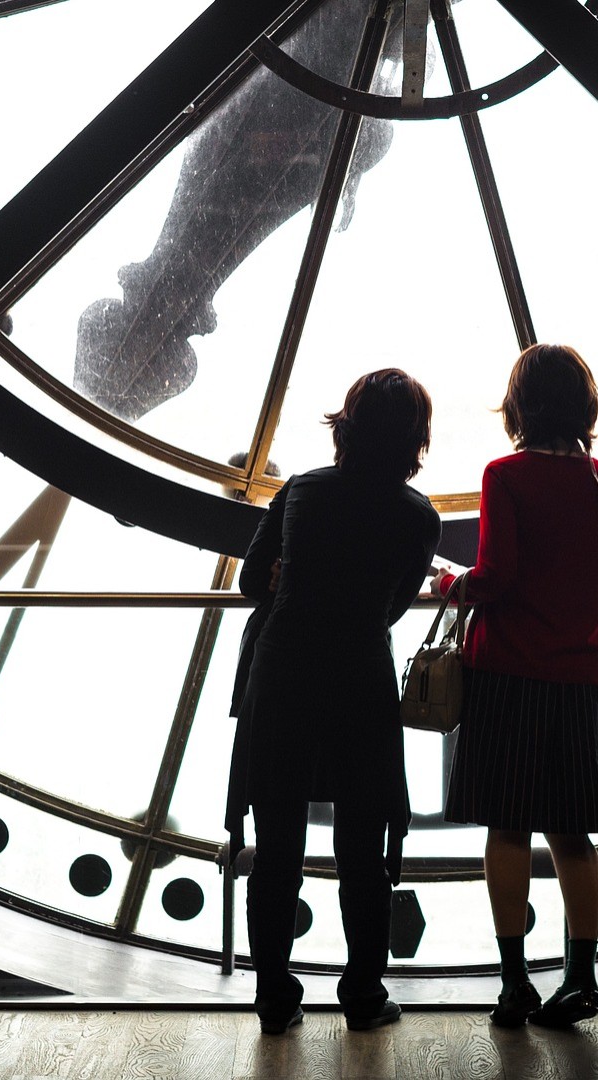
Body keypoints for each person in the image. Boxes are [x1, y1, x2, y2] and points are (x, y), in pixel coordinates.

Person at [225, 369, 442, 1035]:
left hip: (284, 673)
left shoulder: (301, 491)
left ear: (345, 426)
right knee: (363, 851)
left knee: (277, 844)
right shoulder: (418, 517)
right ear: (414, 440)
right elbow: (393, 608)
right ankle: (362, 993)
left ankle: (273, 995)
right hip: (359, 681)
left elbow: (249, 587)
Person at [437, 343, 598, 1029]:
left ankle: (514, 982)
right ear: (585, 408)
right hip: (583, 676)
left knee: (507, 830)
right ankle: (581, 979)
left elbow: (493, 576)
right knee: (573, 837)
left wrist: (450, 585)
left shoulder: (506, 475)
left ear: (519, 407)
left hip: (508, 675)